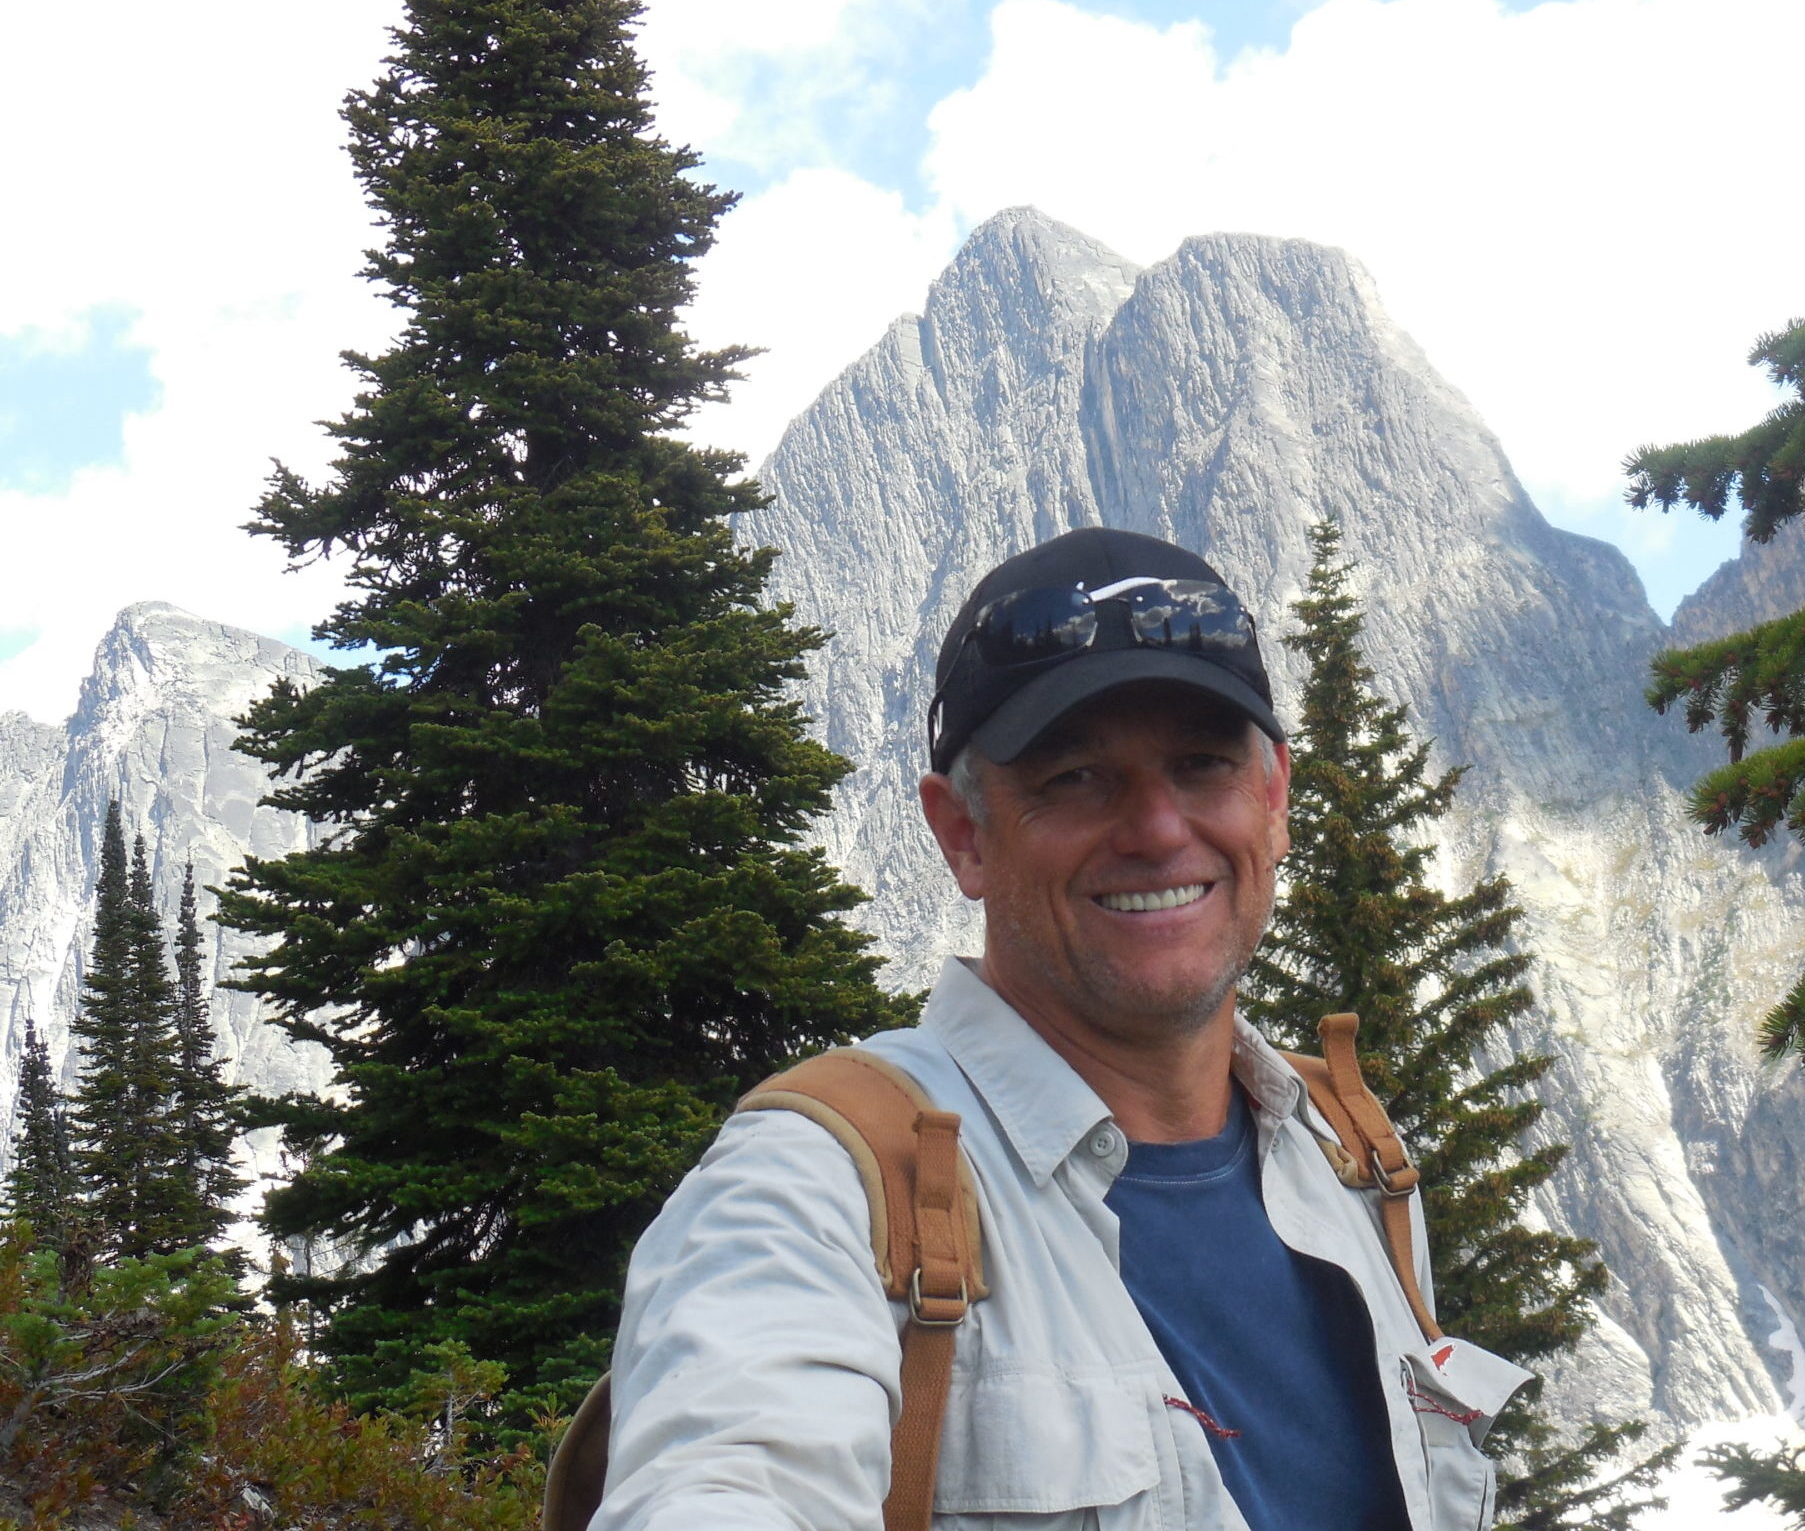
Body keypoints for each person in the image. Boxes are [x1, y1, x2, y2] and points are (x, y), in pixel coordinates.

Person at [593, 527, 1529, 1531]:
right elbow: (731, 1478)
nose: (1159, 830)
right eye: (1073, 778)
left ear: (1274, 800)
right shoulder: (816, 1186)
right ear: (963, 836)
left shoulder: (1347, 1157)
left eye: (1202, 765)